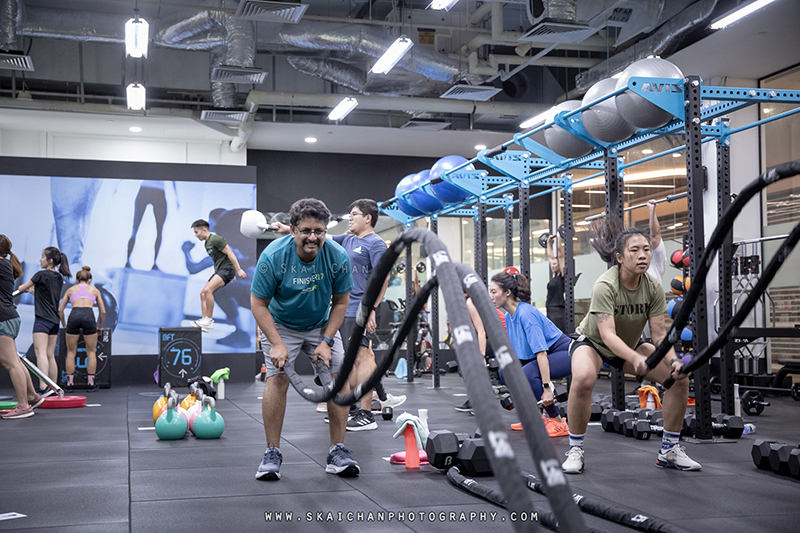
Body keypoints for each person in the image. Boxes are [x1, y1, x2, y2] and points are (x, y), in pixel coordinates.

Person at [562, 222, 700, 474]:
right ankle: (576, 449)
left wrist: (673, 362)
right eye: (635, 250)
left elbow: (659, 335)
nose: (643, 255)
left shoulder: (653, 287)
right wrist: (636, 358)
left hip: (630, 344)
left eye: (646, 250)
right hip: (593, 343)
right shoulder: (605, 285)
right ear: (619, 257)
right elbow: (608, 335)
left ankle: (669, 449)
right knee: (582, 378)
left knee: (679, 378)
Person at [251, 198, 359, 480]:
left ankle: (338, 450)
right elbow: (258, 303)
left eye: (319, 231)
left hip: (320, 323)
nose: (313, 237)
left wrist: (326, 340)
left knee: (338, 379)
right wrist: (276, 342)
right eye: (306, 230)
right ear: (293, 229)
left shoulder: (336, 256)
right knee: (277, 379)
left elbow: (341, 302)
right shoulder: (274, 256)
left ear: (326, 230)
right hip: (281, 324)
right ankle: (271, 451)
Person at [489, 267, 570, 437]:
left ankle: (556, 420)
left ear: (508, 292)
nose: (491, 296)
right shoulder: (510, 316)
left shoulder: (526, 314)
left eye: (494, 292)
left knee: (528, 373)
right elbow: (521, 355)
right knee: (506, 371)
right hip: (545, 355)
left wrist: (547, 388)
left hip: (566, 354)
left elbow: (541, 354)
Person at [15, 247, 71, 391]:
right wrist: (33, 291)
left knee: (41, 354)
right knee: (50, 355)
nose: (40, 260)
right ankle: (54, 387)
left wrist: (24, 288)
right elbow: (45, 296)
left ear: (50, 260)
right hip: (54, 321)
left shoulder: (40, 275)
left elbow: (21, 288)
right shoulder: (58, 277)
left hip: (42, 320)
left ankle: (43, 386)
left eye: (42, 257)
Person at [1, 235, 44, 419]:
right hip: (8, 317)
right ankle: (32, 397)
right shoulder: (5, 264)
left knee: (10, 363)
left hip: (3, 318)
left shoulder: (1, 264)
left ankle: (24, 406)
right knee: (15, 361)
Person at [188, 219, 247, 332]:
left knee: (211, 291)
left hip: (229, 273)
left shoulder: (216, 240)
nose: (196, 236)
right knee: (204, 293)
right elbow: (198, 267)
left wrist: (238, 270)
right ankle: (206, 319)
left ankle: (208, 320)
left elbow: (231, 253)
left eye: (197, 232)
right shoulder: (208, 243)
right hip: (225, 273)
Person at [58, 266, 106, 392]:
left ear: (77, 279)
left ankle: (69, 384)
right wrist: (99, 326)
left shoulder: (70, 290)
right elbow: (103, 312)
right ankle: (90, 384)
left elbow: (60, 309)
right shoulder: (95, 291)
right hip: (88, 316)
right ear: (90, 279)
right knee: (91, 352)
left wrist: (64, 324)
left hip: (74, 315)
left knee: (71, 352)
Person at [456, 297, 506, 413]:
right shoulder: (463, 304)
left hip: (503, 335)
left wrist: (482, 356)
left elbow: (481, 331)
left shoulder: (470, 301)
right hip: (495, 336)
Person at [643, 199, 666, 340]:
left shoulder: (655, 259)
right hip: (635, 312)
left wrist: (652, 211)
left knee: (655, 345)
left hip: (652, 310)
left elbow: (655, 235)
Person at [545, 234, 568, 334]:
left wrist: (559, 239)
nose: (553, 266)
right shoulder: (554, 277)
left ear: (560, 264)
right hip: (550, 310)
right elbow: (551, 257)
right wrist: (548, 243)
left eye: (555, 264)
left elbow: (561, 256)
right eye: (552, 264)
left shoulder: (562, 276)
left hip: (558, 312)